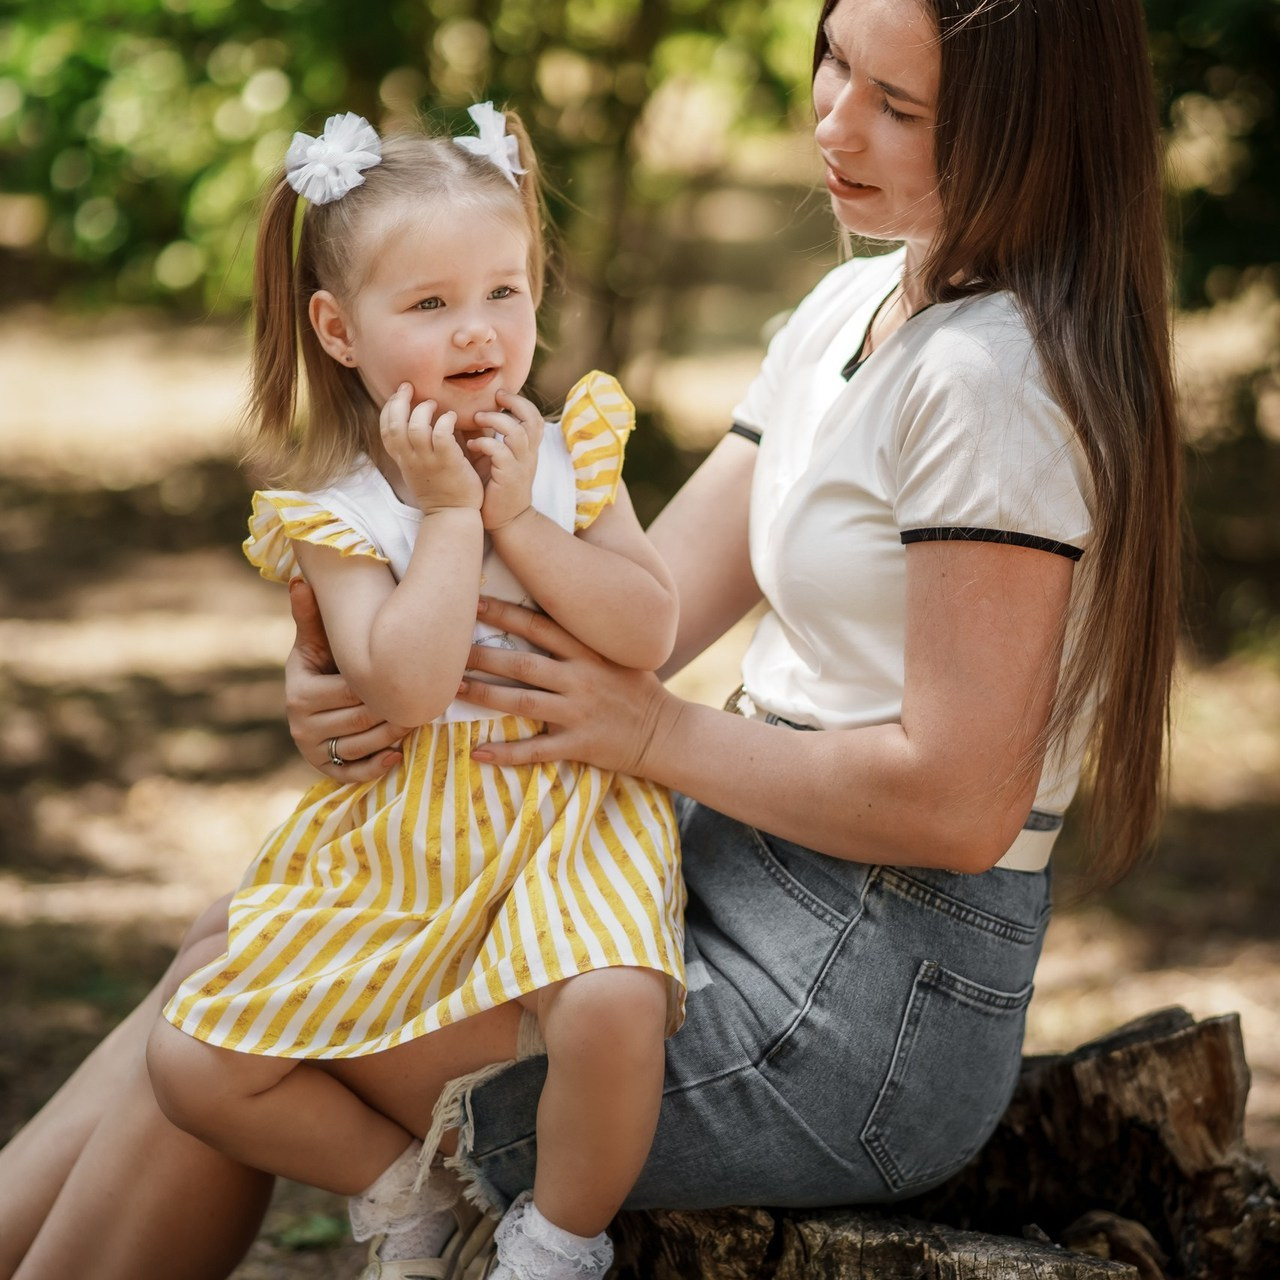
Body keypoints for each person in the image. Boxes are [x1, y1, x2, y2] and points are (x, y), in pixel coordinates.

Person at [0, 0, 1182, 1275]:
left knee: (240, 1006)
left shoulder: (989, 378)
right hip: (728, 876)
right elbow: (627, 608)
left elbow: (956, 802)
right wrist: (363, 664)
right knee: (242, 938)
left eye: (899, 106)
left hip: (858, 1000)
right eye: (832, 61)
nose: (834, 119)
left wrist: (649, 730)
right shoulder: (853, 305)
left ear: (1028, 128)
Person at [151, 101, 686, 1280]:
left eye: (505, 290)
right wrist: (447, 514)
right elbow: (401, 686)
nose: (478, 331)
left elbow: (649, 628)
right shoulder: (336, 510)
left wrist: (517, 521)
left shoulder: (567, 449)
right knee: (190, 1056)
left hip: (563, 814)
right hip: (409, 831)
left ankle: (556, 1241)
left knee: (610, 1003)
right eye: (431, 304)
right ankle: (418, 1186)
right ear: (340, 331)